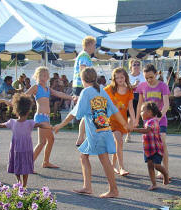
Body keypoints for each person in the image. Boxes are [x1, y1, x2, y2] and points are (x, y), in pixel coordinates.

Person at [54, 67, 130, 198]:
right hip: (103, 129)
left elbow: (75, 113)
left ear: (83, 80)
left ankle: (113, 190)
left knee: (104, 159)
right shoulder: (101, 89)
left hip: (96, 132)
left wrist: (60, 125)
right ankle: (88, 187)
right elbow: (114, 109)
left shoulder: (86, 92)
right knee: (84, 156)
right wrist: (124, 124)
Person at [0, 94, 51, 187]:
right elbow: (42, 125)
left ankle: (19, 182)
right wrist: (51, 127)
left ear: (16, 111)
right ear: (28, 111)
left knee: (16, 166)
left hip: (15, 149)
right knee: (25, 168)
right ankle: (24, 185)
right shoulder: (30, 122)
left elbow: (1, 125)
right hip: (27, 149)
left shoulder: (12, 122)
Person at [25, 66, 73, 169]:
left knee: (49, 140)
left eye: (46, 75)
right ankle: (29, 164)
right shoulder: (35, 87)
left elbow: (59, 93)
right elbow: (25, 95)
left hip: (46, 118)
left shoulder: (47, 89)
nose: (44, 77)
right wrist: (14, 101)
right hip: (40, 117)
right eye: (42, 75)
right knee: (43, 142)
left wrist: (71, 97)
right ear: (37, 76)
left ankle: (45, 162)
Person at [135, 64, 170, 180]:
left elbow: (166, 104)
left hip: (160, 119)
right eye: (146, 78)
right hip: (148, 121)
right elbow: (140, 104)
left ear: (156, 74)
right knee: (150, 145)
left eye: (151, 77)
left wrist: (158, 118)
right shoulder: (142, 86)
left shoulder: (163, 86)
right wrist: (136, 119)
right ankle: (153, 171)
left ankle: (165, 170)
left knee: (162, 143)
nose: (149, 80)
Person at [104, 68, 135, 176]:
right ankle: (121, 167)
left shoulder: (129, 90)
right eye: (117, 78)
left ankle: (113, 166)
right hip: (111, 120)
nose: (119, 79)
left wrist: (134, 120)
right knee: (119, 141)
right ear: (114, 79)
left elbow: (130, 108)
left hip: (122, 121)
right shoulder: (109, 89)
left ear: (126, 77)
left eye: (121, 77)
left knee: (119, 144)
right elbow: (99, 97)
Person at [133, 102, 169, 190]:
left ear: (149, 112)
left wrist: (134, 129)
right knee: (150, 166)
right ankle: (154, 184)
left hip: (156, 148)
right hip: (148, 149)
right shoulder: (147, 121)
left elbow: (146, 130)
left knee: (157, 165)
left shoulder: (153, 121)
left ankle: (165, 173)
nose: (140, 113)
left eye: (142, 111)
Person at [72, 36, 96, 147]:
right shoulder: (84, 56)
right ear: (90, 45)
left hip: (80, 86)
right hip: (83, 86)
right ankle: (83, 137)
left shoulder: (82, 55)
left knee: (87, 113)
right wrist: (90, 84)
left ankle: (82, 137)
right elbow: (83, 70)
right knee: (88, 112)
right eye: (94, 46)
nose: (94, 48)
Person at [125, 58, 146, 143]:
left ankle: (146, 135)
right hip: (131, 97)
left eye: (138, 64)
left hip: (142, 96)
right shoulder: (127, 77)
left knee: (144, 115)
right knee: (131, 117)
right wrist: (133, 86)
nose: (136, 66)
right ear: (131, 67)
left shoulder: (143, 75)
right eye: (134, 65)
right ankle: (128, 134)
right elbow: (124, 88)